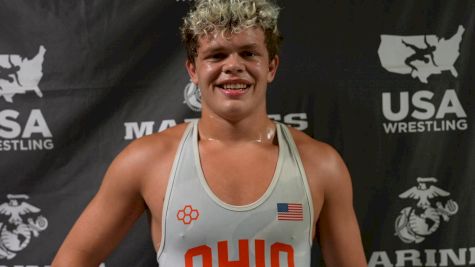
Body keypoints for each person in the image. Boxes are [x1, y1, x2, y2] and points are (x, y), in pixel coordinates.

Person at [52, 0, 367, 266]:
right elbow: (73, 258)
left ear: (271, 66)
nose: (233, 66)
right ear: (193, 69)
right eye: (216, 55)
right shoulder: (147, 160)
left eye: (248, 53)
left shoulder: (321, 165)